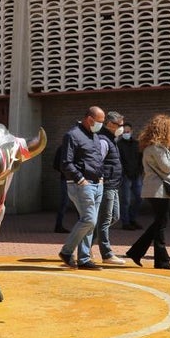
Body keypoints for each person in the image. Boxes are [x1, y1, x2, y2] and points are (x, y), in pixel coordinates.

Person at [125, 114, 170, 270]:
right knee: (161, 224)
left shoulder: (157, 147)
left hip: (159, 189)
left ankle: (136, 251)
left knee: (159, 223)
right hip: (157, 190)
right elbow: (166, 166)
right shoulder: (155, 147)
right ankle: (161, 261)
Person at [57, 106, 107, 270]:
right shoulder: (72, 135)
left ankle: (84, 258)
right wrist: (81, 179)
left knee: (90, 222)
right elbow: (66, 163)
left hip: (96, 184)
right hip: (81, 184)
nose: (101, 125)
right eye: (99, 122)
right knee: (89, 219)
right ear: (89, 119)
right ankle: (66, 251)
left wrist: (100, 178)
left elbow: (96, 159)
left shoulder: (93, 135)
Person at [95, 111, 127, 265]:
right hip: (107, 184)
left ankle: (85, 241)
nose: (122, 128)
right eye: (119, 125)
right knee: (105, 220)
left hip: (114, 185)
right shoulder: (103, 140)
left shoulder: (112, 139)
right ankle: (107, 254)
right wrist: (101, 179)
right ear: (110, 124)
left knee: (114, 217)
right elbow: (97, 162)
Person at [117, 122, 143, 230]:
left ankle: (132, 218)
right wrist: (123, 173)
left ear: (131, 131)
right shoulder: (119, 144)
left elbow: (141, 159)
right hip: (125, 176)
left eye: (128, 131)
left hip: (136, 175)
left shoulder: (137, 144)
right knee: (126, 200)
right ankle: (125, 222)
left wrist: (140, 171)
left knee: (140, 198)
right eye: (124, 132)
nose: (126, 133)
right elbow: (119, 160)